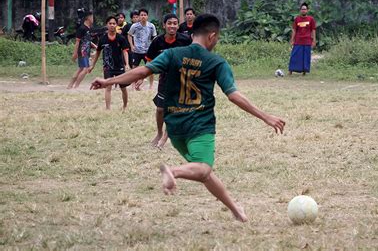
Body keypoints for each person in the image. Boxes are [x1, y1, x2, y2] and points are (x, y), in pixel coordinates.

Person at [91, 14, 286, 222]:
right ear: (211, 36)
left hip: (175, 129)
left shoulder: (173, 54)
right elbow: (233, 95)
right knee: (203, 169)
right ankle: (172, 171)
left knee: (204, 172)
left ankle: (236, 211)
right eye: (217, 38)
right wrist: (266, 117)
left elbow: (141, 71)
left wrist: (107, 81)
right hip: (199, 127)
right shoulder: (216, 62)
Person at [146, 13, 192, 148]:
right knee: (160, 109)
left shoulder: (185, 40)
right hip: (164, 79)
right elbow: (149, 61)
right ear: (164, 25)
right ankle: (160, 133)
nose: (172, 26)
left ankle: (165, 137)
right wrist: (140, 77)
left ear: (178, 26)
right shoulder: (157, 41)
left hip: (182, 80)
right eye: (169, 23)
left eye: (175, 23)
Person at [88, 16, 130, 110]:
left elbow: (125, 51)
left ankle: (125, 106)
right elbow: (98, 53)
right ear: (107, 25)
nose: (112, 25)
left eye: (114, 23)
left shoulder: (121, 38)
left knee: (123, 88)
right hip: (108, 67)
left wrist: (127, 64)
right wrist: (92, 66)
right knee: (108, 87)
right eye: (110, 23)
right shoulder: (102, 39)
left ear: (116, 25)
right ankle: (108, 108)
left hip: (119, 66)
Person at [128, 9, 157, 90]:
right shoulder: (134, 26)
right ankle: (133, 86)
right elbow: (129, 35)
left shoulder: (151, 26)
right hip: (136, 50)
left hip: (148, 51)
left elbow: (154, 37)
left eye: (145, 15)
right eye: (141, 15)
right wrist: (131, 45)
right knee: (134, 68)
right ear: (139, 17)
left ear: (147, 16)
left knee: (150, 68)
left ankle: (151, 86)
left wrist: (154, 47)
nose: (143, 16)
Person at [68, 11, 96, 89]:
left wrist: (95, 46)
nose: (93, 19)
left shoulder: (89, 28)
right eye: (92, 17)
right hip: (82, 51)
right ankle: (76, 86)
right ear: (88, 18)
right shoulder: (82, 28)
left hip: (86, 51)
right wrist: (75, 53)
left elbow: (88, 41)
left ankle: (70, 85)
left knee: (81, 69)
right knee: (85, 69)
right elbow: (77, 41)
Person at [288, 2, 316, 76]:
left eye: (305, 9)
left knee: (305, 57)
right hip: (298, 41)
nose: (303, 10)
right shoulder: (297, 19)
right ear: (300, 10)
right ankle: (291, 70)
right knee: (294, 56)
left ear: (307, 10)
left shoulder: (311, 19)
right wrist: (292, 39)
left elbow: (313, 30)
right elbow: (294, 30)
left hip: (307, 41)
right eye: (302, 9)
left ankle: (304, 71)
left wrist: (314, 40)